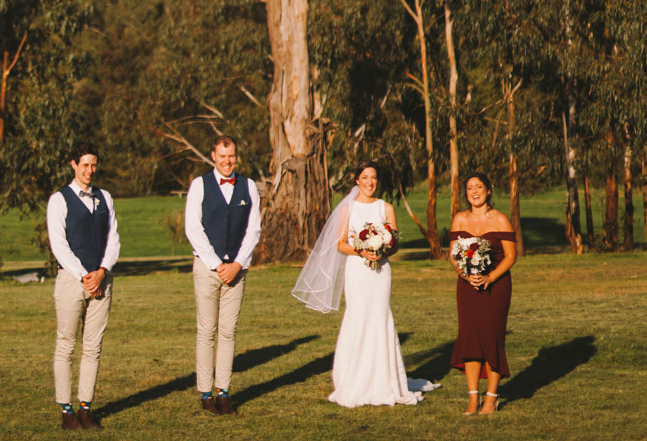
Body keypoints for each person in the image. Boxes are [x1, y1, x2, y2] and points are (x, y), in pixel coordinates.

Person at [292, 160, 438, 407]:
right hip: (357, 271)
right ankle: (354, 377)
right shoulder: (347, 209)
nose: (370, 182)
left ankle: (386, 379)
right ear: (357, 180)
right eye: (365, 177)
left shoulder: (386, 208)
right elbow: (340, 244)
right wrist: (362, 251)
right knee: (358, 317)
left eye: (374, 177)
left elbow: (394, 243)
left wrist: (382, 251)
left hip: (381, 271)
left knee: (380, 317)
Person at [184, 133, 261, 416]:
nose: (227, 161)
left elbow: (253, 230)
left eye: (232, 156)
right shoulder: (199, 185)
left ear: (235, 157)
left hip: (237, 270)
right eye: (222, 156)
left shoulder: (248, 186)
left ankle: (224, 391)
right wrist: (218, 264)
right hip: (207, 268)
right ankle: (205, 393)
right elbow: (193, 228)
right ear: (213, 156)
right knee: (207, 331)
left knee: (229, 332)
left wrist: (237, 264)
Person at [46, 142, 121, 431]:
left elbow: (113, 238)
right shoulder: (59, 200)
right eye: (85, 165)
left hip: (103, 280)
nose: (90, 170)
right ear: (73, 165)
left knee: (93, 347)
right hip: (71, 280)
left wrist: (102, 271)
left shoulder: (106, 198)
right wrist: (84, 275)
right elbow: (59, 245)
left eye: (93, 165)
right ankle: (66, 410)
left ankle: (85, 407)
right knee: (66, 345)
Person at [448, 171, 517, 415]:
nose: (474, 191)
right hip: (466, 287)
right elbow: (453, 254)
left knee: (491, 337)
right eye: (469, 188)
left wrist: (490, 277)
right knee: (469, 337)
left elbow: (510, 256)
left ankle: (491, 398)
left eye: (479, 187)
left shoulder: (500, 219)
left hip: (496, 287)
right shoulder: (459, 219)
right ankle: (472, 398)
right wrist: (466, 275)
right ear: (466, 194)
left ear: (488, 191)